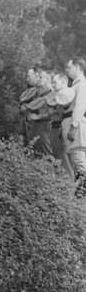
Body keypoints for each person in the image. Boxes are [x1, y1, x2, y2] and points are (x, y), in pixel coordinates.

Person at [61, 56, 86, 197]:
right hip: (69, 123)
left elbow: (80, 106)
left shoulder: (81, 84)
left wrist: (74, 125)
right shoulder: (75, 85)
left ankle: (81, 193)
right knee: (75, 162)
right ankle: (80, 192)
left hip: (75, 125)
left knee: (79, 161)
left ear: (77, 67)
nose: (67, 70)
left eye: (69, 67)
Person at [46, 72, 75, 176]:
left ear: (63, 82)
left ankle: (70, 187)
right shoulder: (54, 96)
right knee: (60, 161)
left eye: (55, 82)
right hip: (55, 130)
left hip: (61, 129)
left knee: (66, 163)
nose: (53, 85)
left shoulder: (69, 95)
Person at [22, 69, 53, 156]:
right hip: (32, 130)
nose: (38, 79)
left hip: (45, 130)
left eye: (41, 77)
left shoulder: (52, 93)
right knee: (36, 158)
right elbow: (27, 109)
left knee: (47, 157)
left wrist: (38, 117)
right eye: (38, 77)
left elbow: (54, 113)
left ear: (48, 79)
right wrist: (27, 113)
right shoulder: (34, 93)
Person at [19, 67, 41, 145]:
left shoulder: (43, 90)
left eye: (29, 76)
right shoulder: (28, 91)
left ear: (37, 76)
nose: (27, 79)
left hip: (38, 127)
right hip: (27, 126)